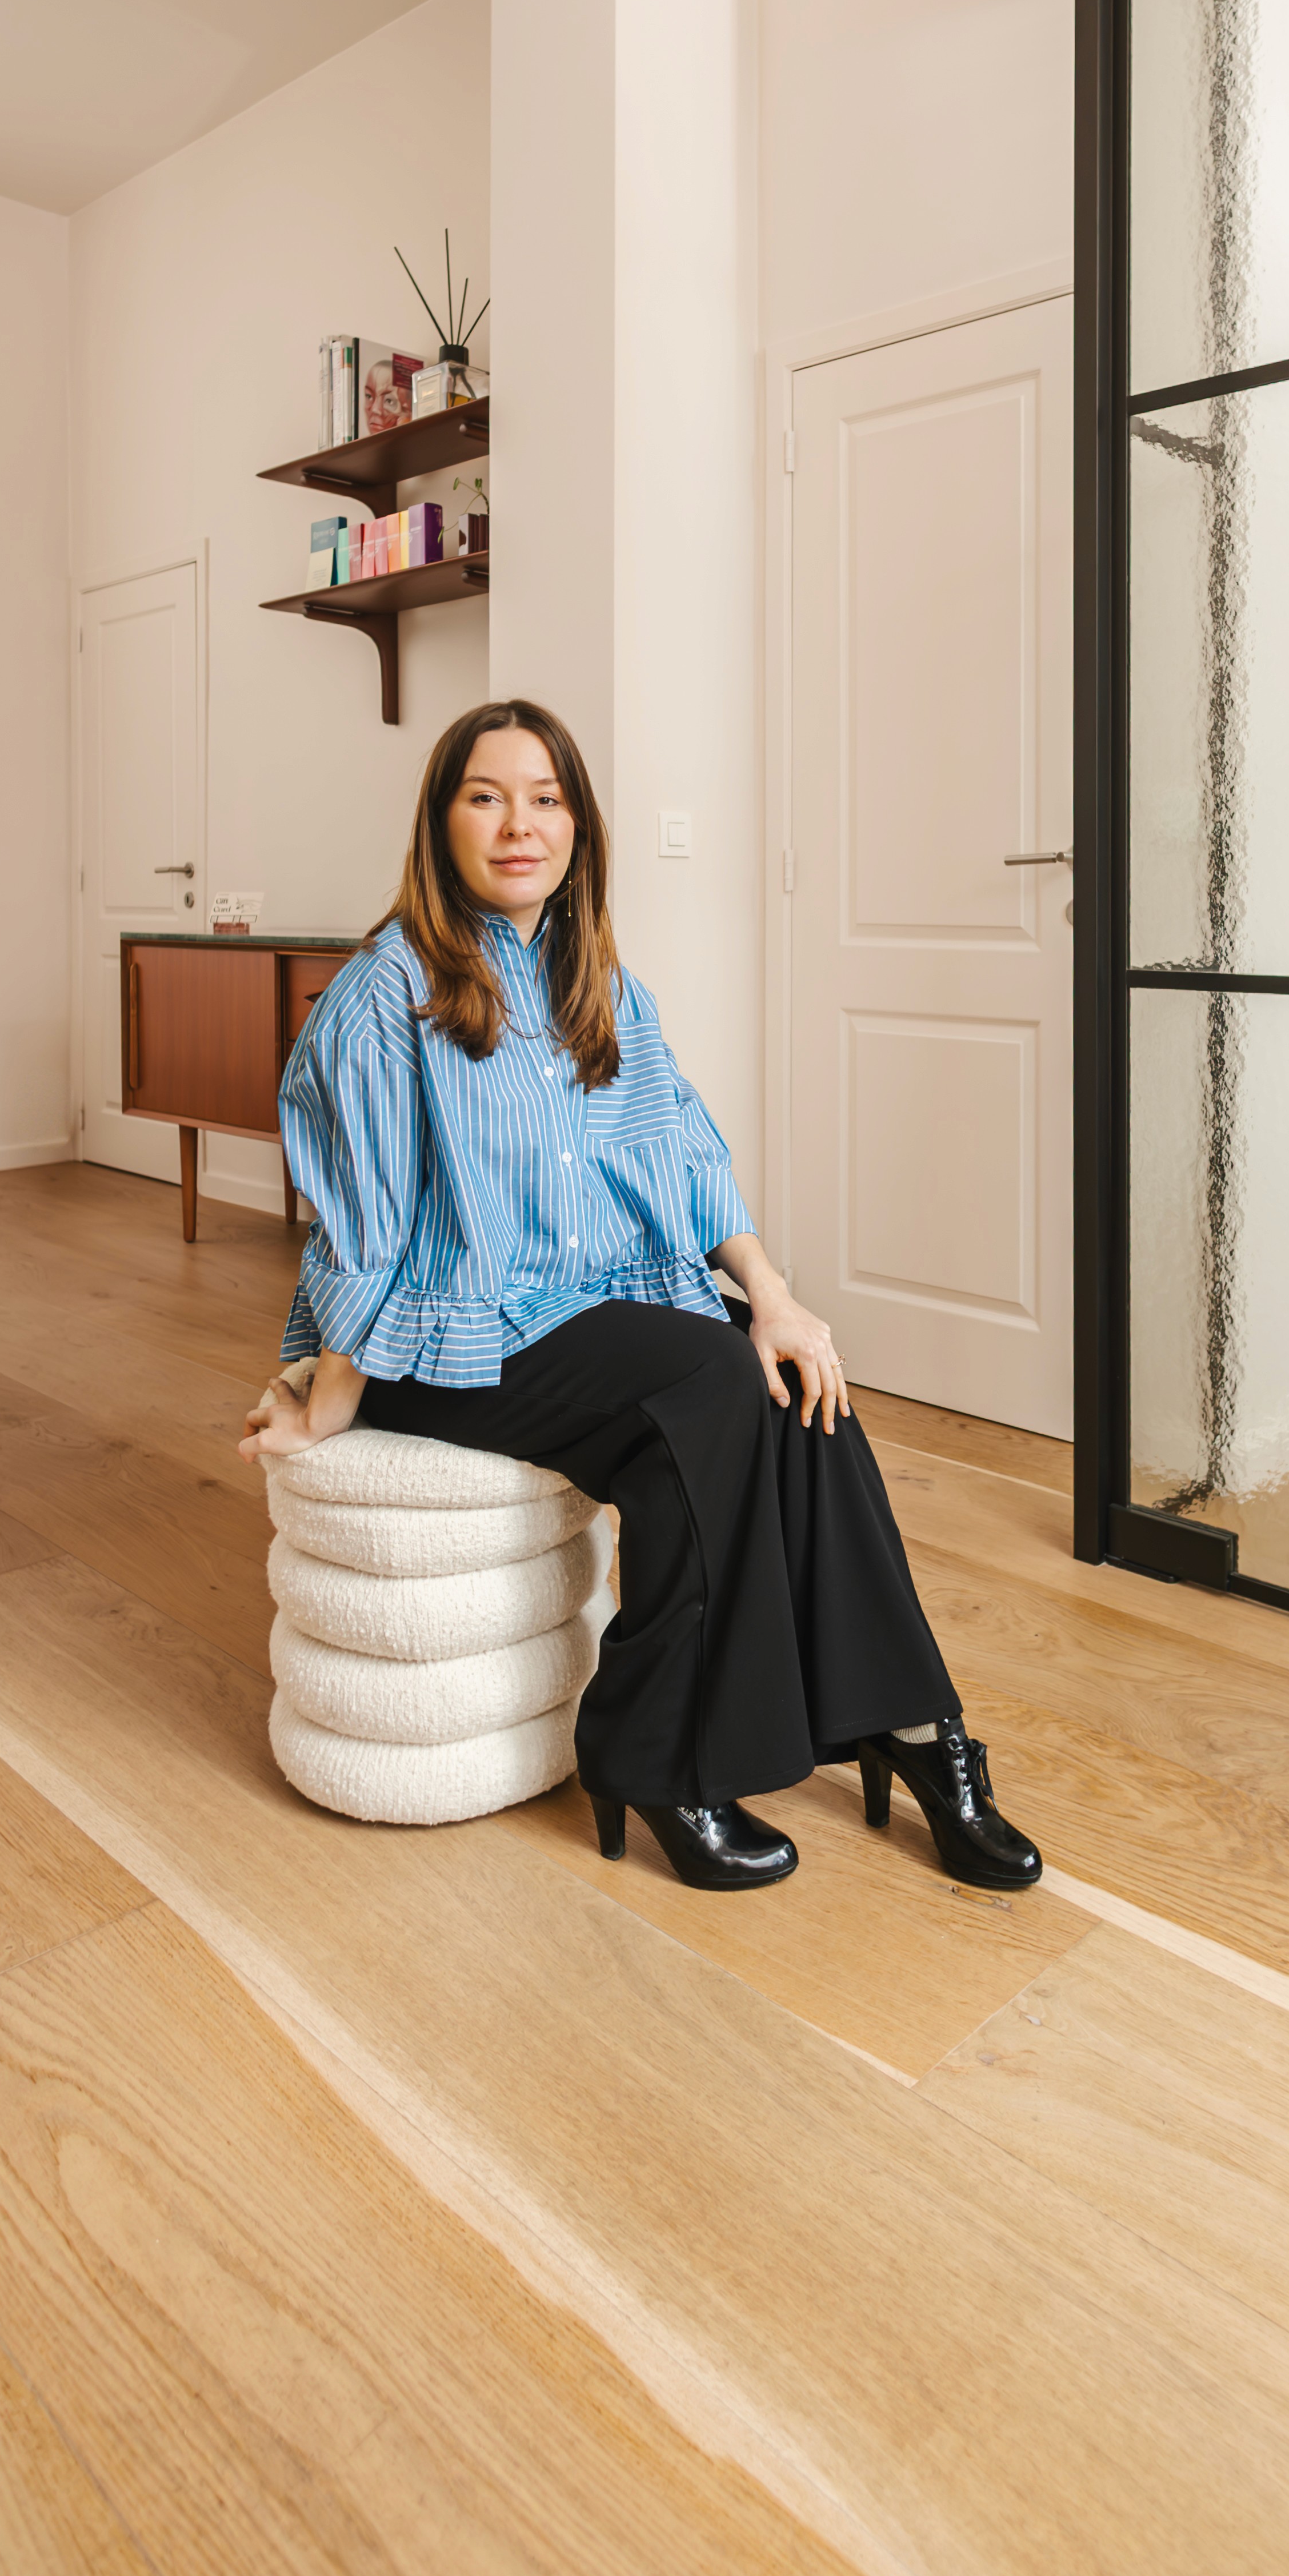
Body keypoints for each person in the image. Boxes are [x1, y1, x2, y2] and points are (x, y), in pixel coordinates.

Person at [241, 697, 1040, 1897]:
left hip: (593, 1314)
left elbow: (687, 1154)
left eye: (547, 798)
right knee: (706, 1378)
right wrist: (328, 1392)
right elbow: (364, 1226)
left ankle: (916, 1729)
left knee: (783, 1376)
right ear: (441, 821)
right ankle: (659, 1757)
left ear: (580, 827)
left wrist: (773, 1296)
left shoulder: (602, 986)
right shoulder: (383, 994)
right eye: (487, 795)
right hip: (453, 1342)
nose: (521, 824)